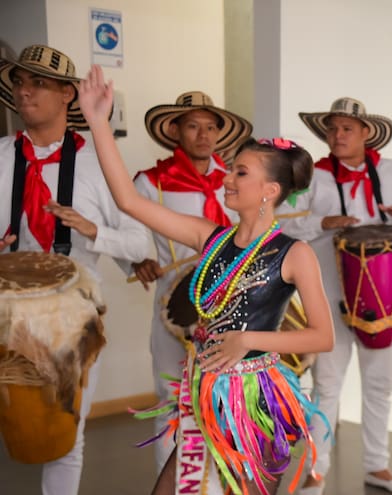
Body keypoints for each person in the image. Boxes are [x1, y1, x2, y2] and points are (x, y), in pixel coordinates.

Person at [77, 65, 334, 495]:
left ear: (270, 190)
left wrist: (247, 340)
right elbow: (128, 200)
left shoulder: (295, 253)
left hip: (256, 400)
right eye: (231, 170)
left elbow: (322, 336)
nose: (227, 179)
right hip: (205, 392)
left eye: (241, 173)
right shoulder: (208, 236)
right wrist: (98, 122)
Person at [0, 45, 151, 495]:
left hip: (74, 318)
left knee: (67, 432)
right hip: (3, 314)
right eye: (19, 82)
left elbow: (139, 242)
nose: (24, 92)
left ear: (68, 94)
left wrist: (93, 231)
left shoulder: (100, 162)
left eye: (38, 83)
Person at [278, 97, 392, 495]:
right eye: (332, 128)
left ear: (366, 133)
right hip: (327, 297)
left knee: (380, 385)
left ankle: (377, 465)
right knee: (327, 385)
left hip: (384, 299)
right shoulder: (310, 176)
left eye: (347, 128)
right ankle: (316, 470)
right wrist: (322, 221)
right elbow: (282, 224)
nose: (338, 135)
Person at [131, 90, 252, 470]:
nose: (203, 135)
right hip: (175, 308)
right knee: (172, 397)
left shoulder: (237, 180)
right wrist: (137, 260)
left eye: (211, 127)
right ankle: (170, 487)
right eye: (193, 126)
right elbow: (127, 230)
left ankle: (217, 484)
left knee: (227, 397)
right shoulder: (151, 182)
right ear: (175, 131)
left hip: (228, 305)